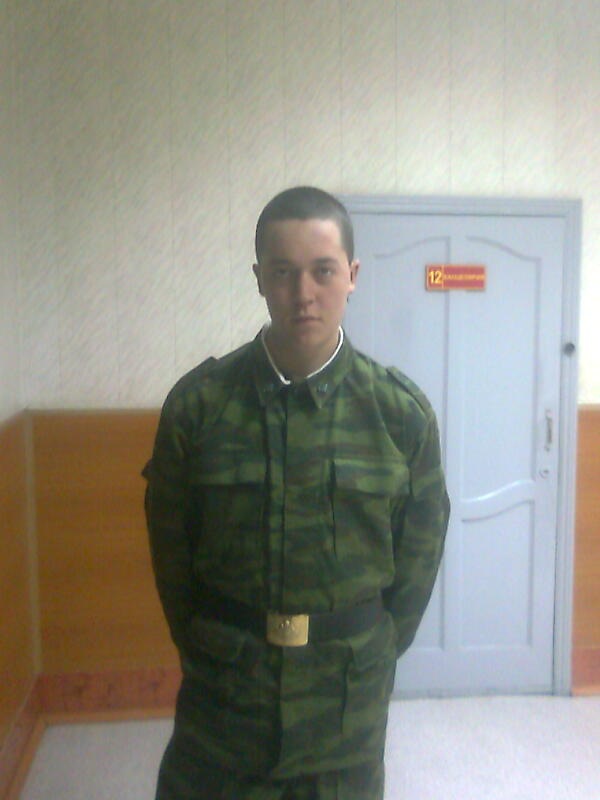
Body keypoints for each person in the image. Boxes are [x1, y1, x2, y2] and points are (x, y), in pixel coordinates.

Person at [143, 186, 450, 799]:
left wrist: (373, 650)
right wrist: (207, 645)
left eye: (323, 271)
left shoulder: (398, 414)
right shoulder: (200, 407)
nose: (303, 293)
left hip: (345, 709)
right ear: (259, 278)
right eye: (283, 272)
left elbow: (417, 563)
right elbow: (172, 553)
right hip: (225, 701)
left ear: (352, 276)